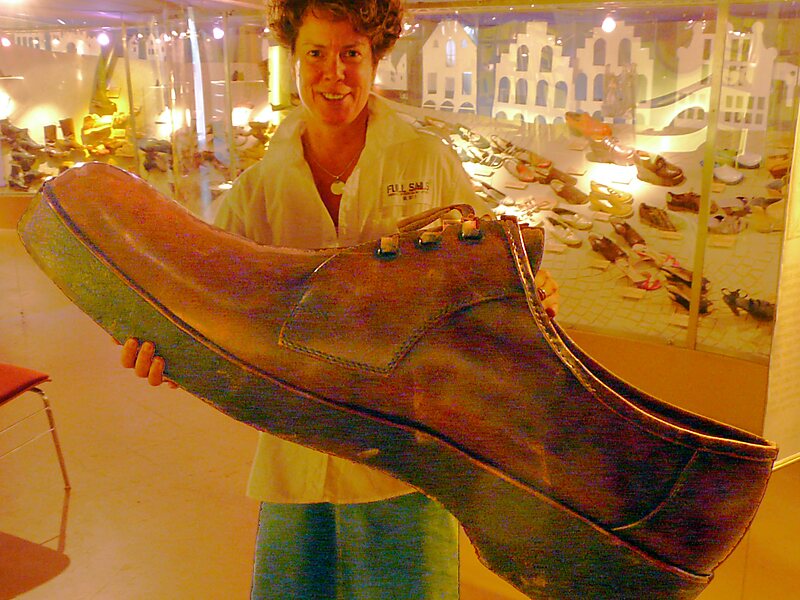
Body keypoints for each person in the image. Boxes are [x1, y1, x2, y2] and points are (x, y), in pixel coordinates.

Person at [122, 0, 560, 597]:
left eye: (351, 53)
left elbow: (487, 276)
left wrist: (528, 294)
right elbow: (206, 302)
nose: (334, 73)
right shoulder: (259, 189)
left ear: (375, 58)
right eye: (316, 54)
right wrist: (167, 352)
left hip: (409, 453)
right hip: (294, 449)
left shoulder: (427, 162)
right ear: (293, 59)